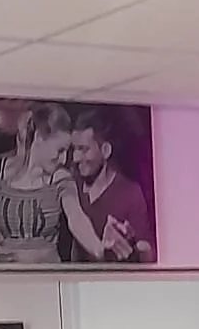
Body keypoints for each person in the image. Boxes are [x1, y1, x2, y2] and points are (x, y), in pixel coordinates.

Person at [0, 104, 72, 264]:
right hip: (7, 278)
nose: (64, 159)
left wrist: (99, 247)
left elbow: (76, 218)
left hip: (47, 278)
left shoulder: (59, 176)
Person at [59, 109, 155, 264]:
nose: (76, 158)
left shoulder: (130, 193)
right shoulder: (70, 184)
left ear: (105, 150)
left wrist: (132, 245)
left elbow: (148, 253)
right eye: (74, 149)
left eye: (84, 150)